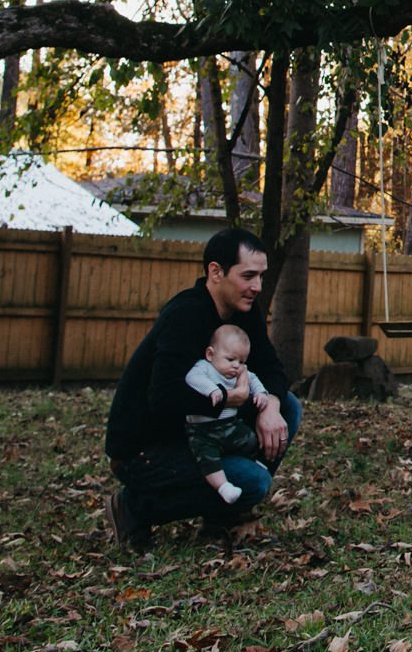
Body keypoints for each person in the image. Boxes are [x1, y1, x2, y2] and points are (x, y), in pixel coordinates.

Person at [105, 228, 301, 550]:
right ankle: (133, 507)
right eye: (248, 276)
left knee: (289, 406)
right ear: (216, 272)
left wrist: (271, 406)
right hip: (146, 448)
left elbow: (271, 367)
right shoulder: (185, 315)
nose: (257, 287)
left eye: (261, 277)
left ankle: (221, 518)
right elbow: (163, 399)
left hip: (202, 430)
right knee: (253, 481)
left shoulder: (242, 313)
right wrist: (227, 399)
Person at [183, 325, 270, 507]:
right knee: (207, 458)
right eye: (230, 359)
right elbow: (192, 378)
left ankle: (254, 462)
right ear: (210, 354)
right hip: (202, 431)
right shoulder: (204, 368)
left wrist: (261, 393)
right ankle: (223, 487)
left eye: (241, 360)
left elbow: (253, 379)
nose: (236, 366)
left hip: (230, 424)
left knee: (250, 439)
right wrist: (213, 390)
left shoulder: (238, 371)